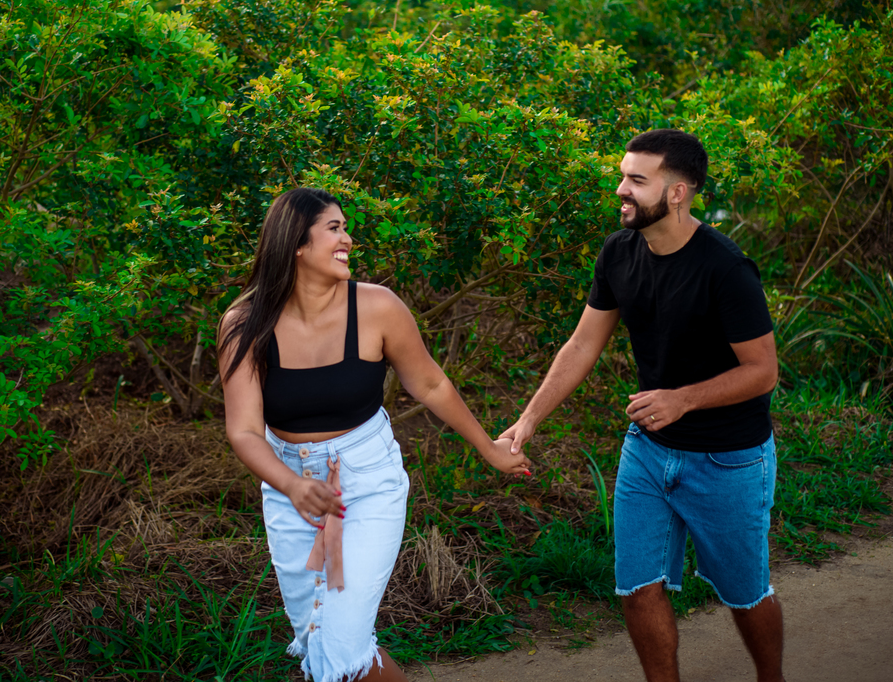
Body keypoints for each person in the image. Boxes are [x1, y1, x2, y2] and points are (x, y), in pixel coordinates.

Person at [500, 129, 786, 682]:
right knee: (636, 589)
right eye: (622, 176)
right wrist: (529, 418)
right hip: (648, 452)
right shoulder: (618, 252)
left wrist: (683, 399)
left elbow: (763, 371)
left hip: (729, 457)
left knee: (744, 595)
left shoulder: (726, 269)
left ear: (678, 192)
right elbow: (583, 343)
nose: (620, 190)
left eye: (636, 180)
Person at [220, 187, 531, 682]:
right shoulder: (245, 324)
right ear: (296, 244)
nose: (348, 238)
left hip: (366, 481)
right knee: (318, 644)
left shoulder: (377, 307)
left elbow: (430, 383)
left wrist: (488, 449)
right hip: (288, 490)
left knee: (338, 647)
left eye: (345, 227)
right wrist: (293, 484)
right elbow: (243, 430)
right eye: (334, 229)